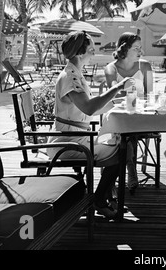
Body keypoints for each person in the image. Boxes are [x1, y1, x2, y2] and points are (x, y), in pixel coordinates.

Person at [47, 30, 135, 220]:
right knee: (123, 150)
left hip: (76, 136)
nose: (94, 53)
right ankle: (100, 199)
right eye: (91, 49)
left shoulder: (74, 73)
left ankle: (103, 197)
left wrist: (115, 103)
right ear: (80, 53)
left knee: (122, 147)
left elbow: (87, 109)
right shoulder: (70, 77)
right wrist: (117, 88)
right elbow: (88, 108)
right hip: (67, 142)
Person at [104, 32, 153, 192]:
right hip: (119, 115)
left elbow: (150, 94)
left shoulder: (145, 66)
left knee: (127, 131)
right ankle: (130, 169)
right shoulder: (111, 68)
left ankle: (113, 179)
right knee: (125, 129)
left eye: (141, 48)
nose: (141, 51)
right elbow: (114, 94)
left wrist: (132, 98)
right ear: (124, 49)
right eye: (137, 48)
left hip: (142, 116)